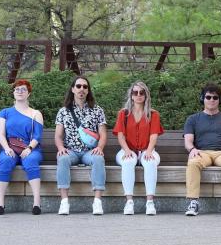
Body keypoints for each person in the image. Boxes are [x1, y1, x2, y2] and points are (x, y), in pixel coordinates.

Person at [183, 83, 221, 216]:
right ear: (202, 99)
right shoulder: (192, 119)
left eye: (215, 97)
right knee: (193, 162)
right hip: (201, 152)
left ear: (219, 100)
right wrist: (192, 149)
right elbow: (188, 140)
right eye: (208, 97)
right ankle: (193, 202)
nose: (211, 100)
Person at [55, 75, 108, 215]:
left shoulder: (97, 110)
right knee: (62, 158)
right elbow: (58, 136)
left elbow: (103, 134)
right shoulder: (63, 111)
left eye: (85, 87)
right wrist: (61, 148)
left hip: (89, 152)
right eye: (78, 86)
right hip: (70, 150)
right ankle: (64, 202)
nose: (81, 89)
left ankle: (97, 202)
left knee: (98, 158)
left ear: (88, 90)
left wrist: (99, 148)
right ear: (73, 89)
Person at [112, 81, 163, 215]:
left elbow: (153, 136)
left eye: (142, 92)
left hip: (147, 149)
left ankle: (150, 202)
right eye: (135, 93)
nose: (139, 95)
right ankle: (129, 202)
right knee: (128, 161)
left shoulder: (153, 114)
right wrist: (127, 150)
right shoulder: (124, 114)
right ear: (131, 96)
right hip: (127, 149)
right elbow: (121, 136)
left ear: (146, 95)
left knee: (150, 162)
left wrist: (149, 151)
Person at [0, 79, 44, 215]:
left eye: (23, 89)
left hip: (31, 148)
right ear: (13, 92)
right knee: (5, 160)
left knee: (31, 161)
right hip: (10, 147)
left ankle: (36, 203)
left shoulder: (35, 113)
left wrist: (29, 148)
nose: (20, 92)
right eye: (17, 89)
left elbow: (37, 136)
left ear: (28, 93)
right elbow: (1, 134)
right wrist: (6, 148)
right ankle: (0, 204)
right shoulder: (4, 113)